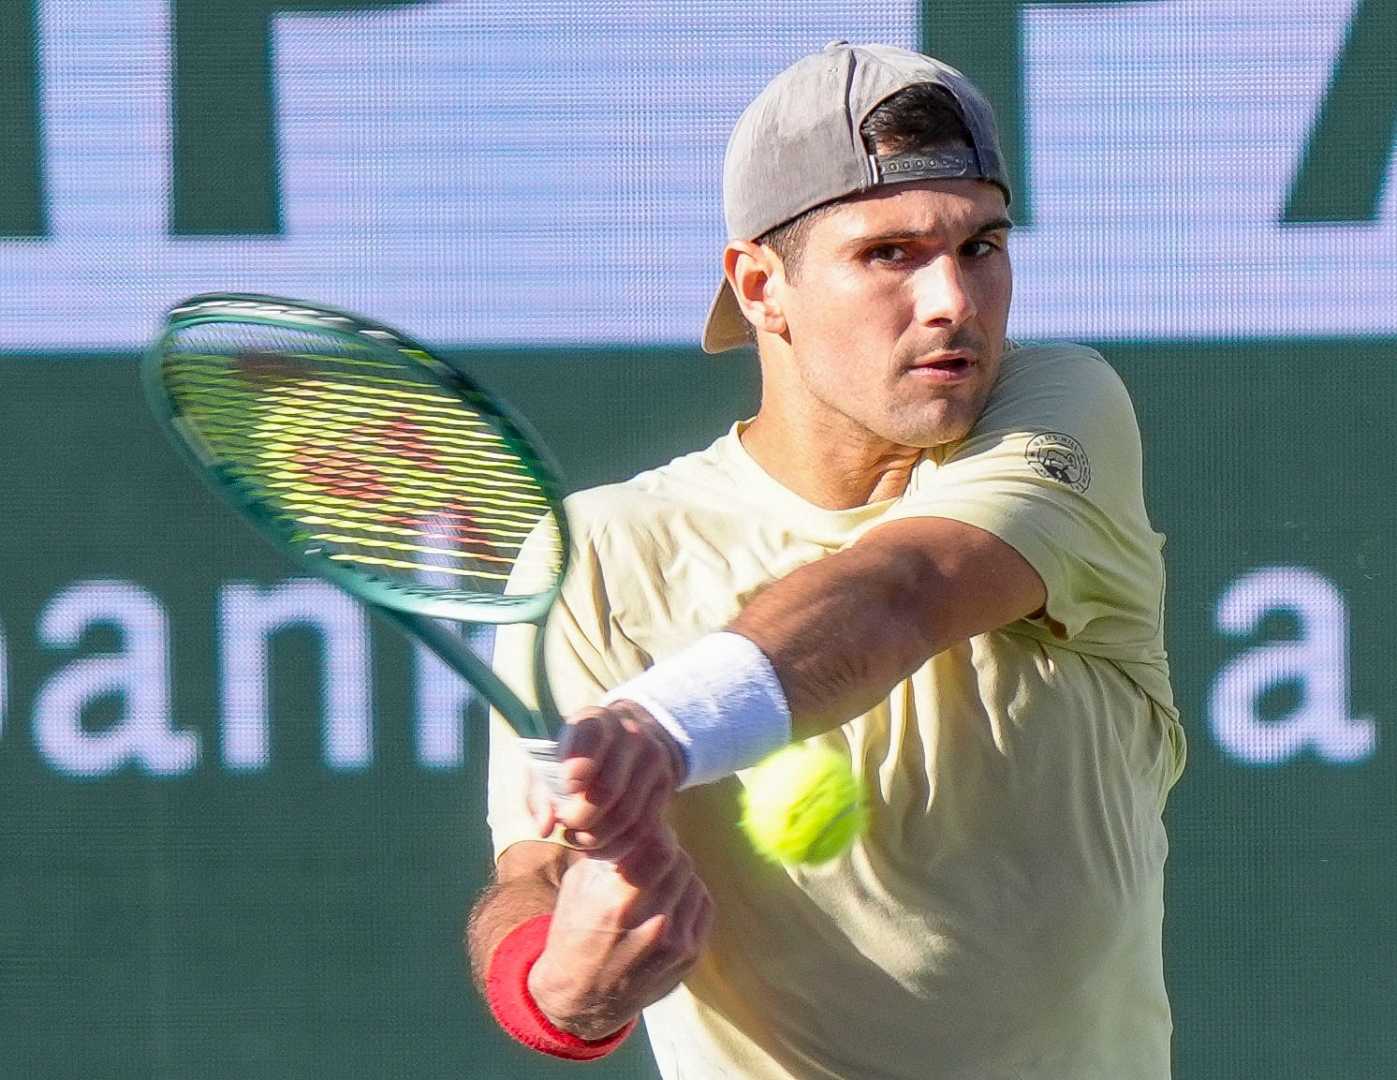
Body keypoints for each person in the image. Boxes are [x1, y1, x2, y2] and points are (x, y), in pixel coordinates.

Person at [467, 41, 1186, 1080]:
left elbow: (905, 590)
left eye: (980, 246)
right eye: (889, 254)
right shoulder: (599, 556)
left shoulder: (1064, 412)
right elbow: (534, 869)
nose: (953, 299)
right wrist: (558, 982)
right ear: (761, 286)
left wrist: (657, 727)